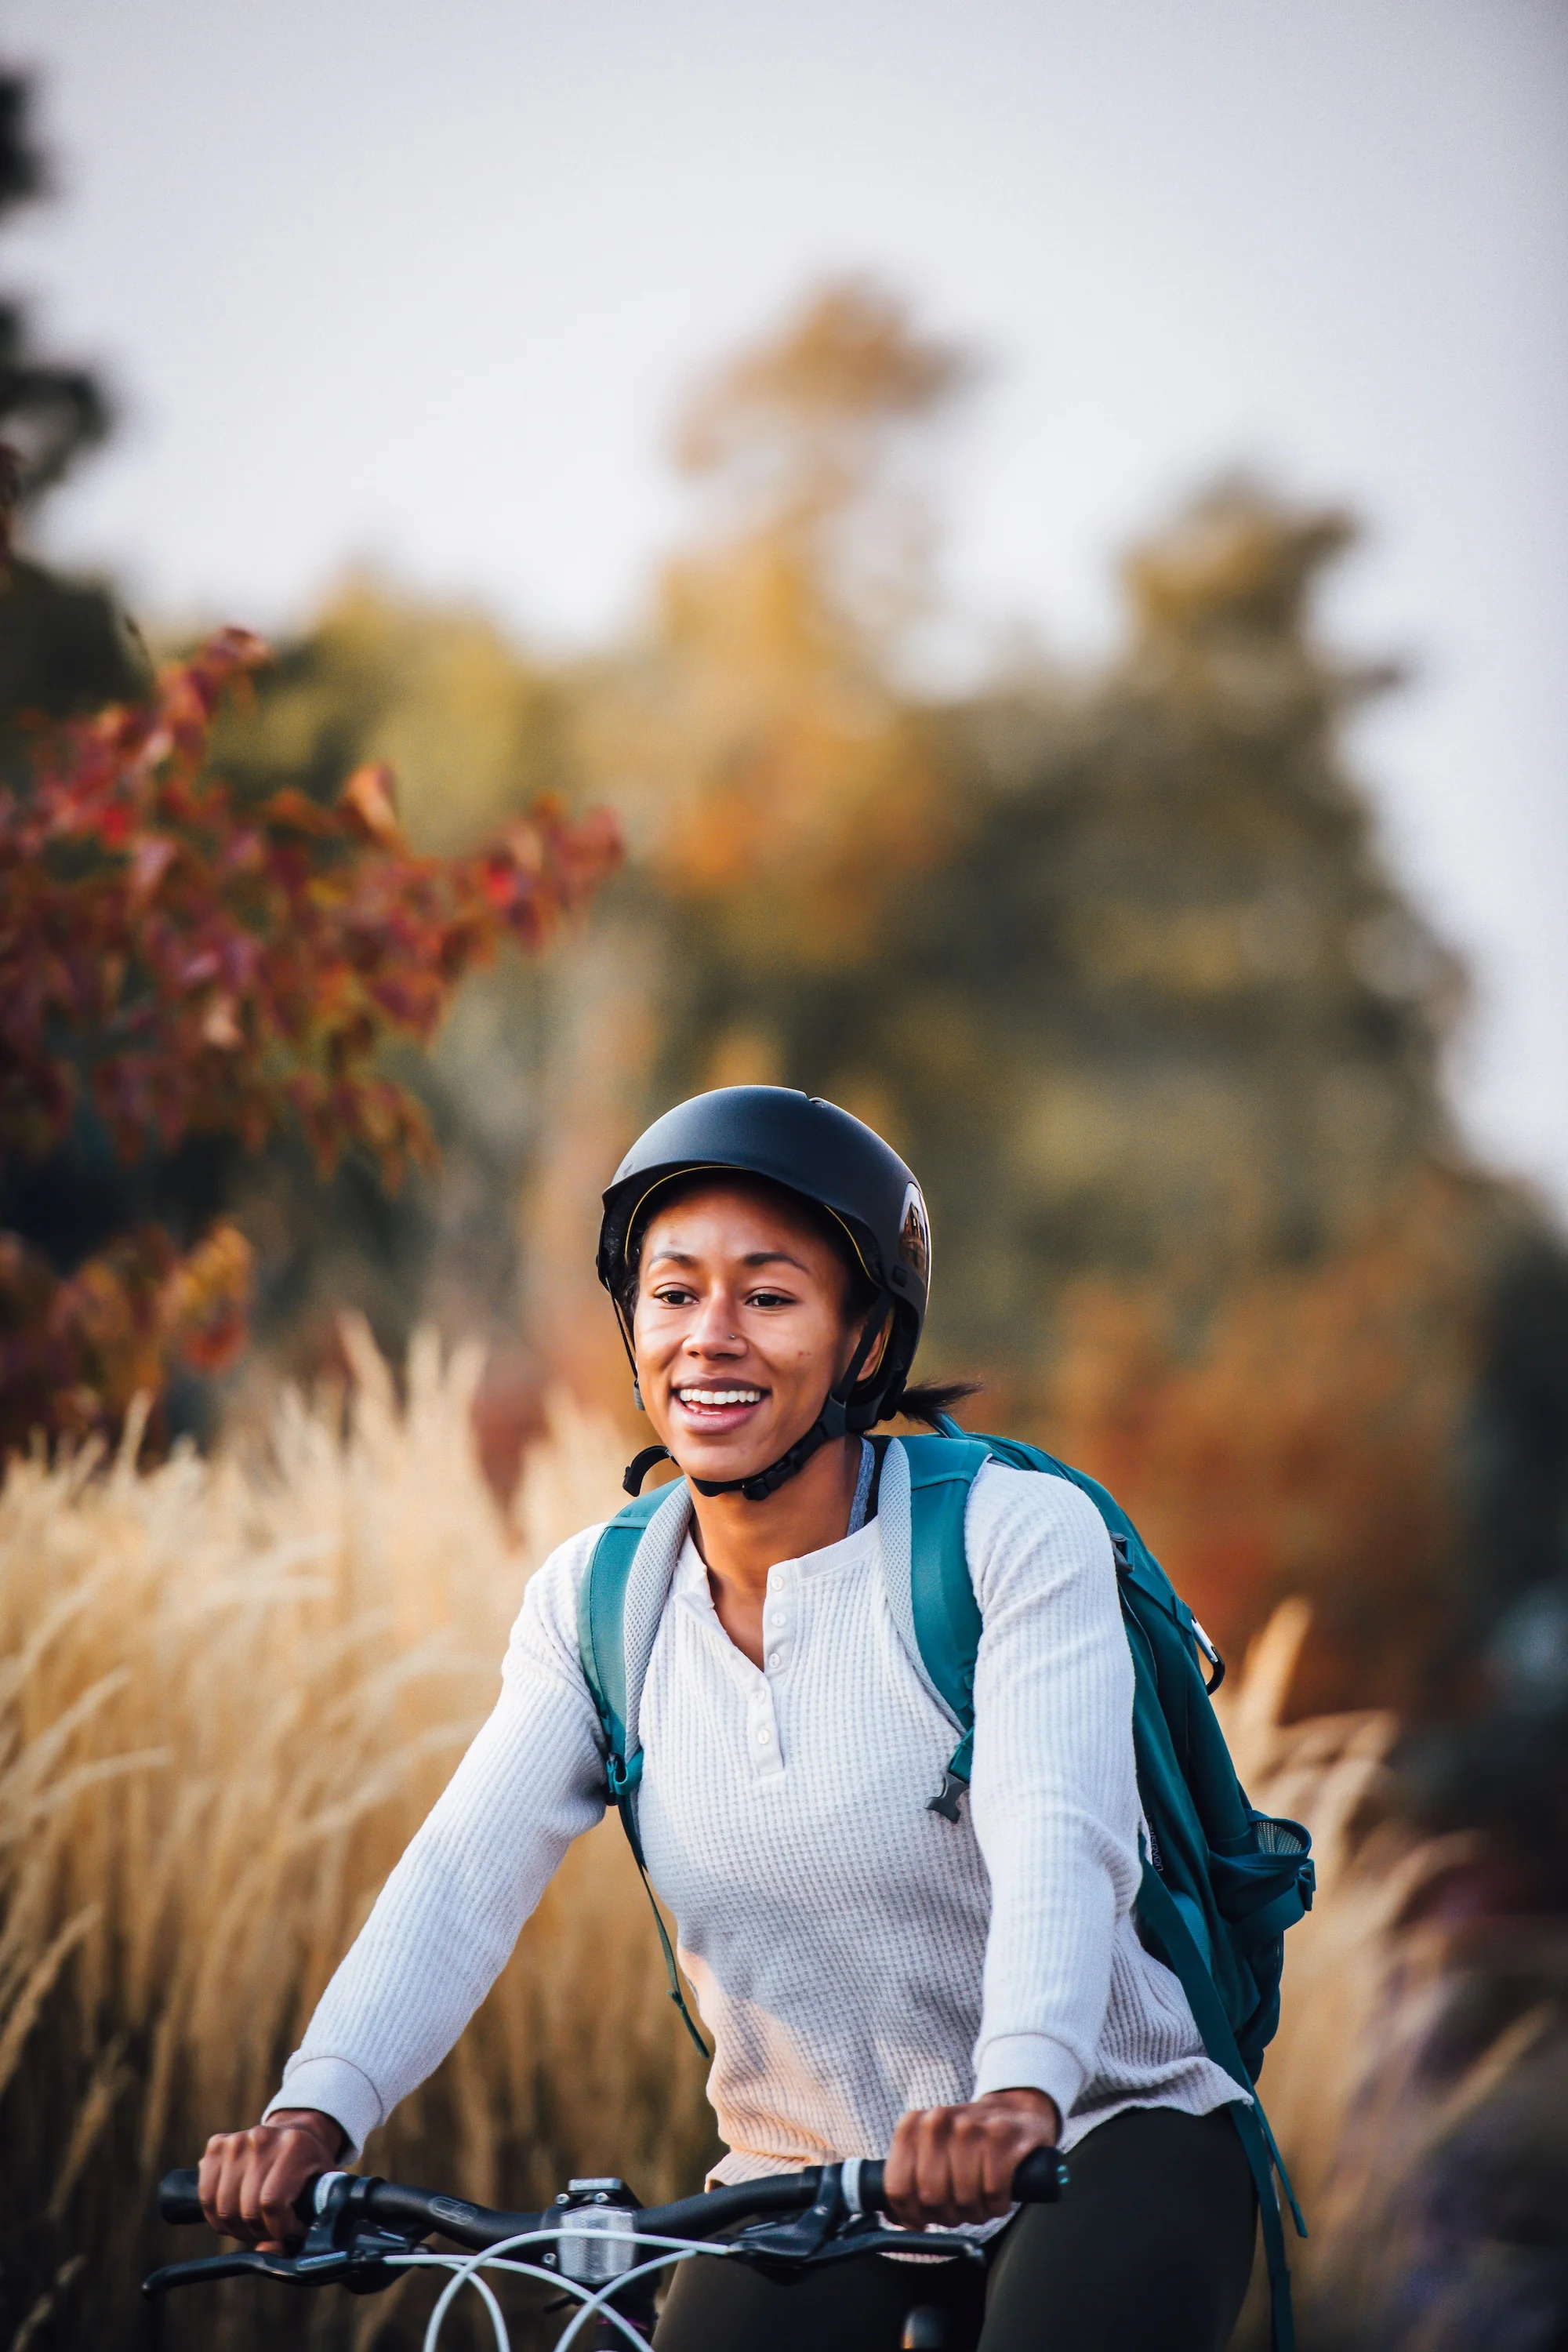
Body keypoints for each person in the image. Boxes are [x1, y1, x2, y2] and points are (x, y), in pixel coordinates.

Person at [198, 1087, 1257, 2350]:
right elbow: (459, 1878)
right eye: (672, 1292)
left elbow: (1057, 1839)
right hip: (805, 2168)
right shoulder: (600, 1602)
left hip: (1098, 2125)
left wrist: (1017, 2091)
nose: (710, 1337)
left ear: (866, 1342)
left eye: (767, 1295)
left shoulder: (1007, 1540)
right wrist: (313, 2116)